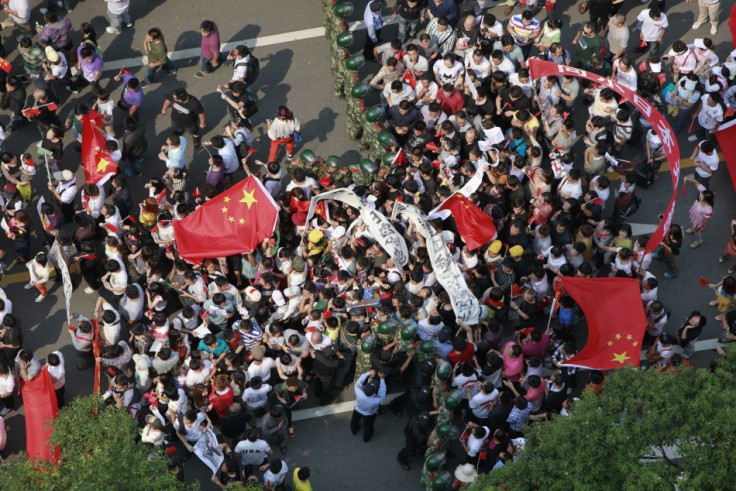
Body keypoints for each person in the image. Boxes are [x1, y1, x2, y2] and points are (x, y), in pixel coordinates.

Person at [351, 370, 387, 442]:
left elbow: (359, 381)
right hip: (369, 414)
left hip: (357, 410)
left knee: (354, 421)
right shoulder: (375, 400)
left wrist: (368, 373)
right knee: (368, 427)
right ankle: (366, 438)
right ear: (374, 391)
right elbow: (382, 393)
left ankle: (354, 430)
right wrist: (382, 379)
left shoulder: (358, 391)